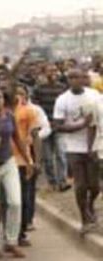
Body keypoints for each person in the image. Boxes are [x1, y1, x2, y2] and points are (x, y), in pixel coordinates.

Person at [0, 87, 30, 259]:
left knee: (15, 201)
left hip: (9, 161)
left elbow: (17, 138)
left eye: (0, 96)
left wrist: (28, 160)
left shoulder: (9, 115)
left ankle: (11, 241)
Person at [52, 68, 101, 234]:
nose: (74, 80)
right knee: (80, 185)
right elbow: (57, 125)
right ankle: (84, 219)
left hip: (94, 145)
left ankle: (90, 204)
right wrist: (80, 125)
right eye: (70, 77)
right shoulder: (62, 100)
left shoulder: (94, 96)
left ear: (84, 78)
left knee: (95, 185)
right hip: (73, 147)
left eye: (77, 77)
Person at [32, 63, 70, 192]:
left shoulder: (63, 88)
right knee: (47, 157)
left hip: (59, 126)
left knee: (61, 154)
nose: (53, 73)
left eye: (55, 70)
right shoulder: (38, 89)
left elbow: (67, 107)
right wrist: (45, 123)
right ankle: (52, 181)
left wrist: (60, 122)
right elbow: (36, 109)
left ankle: (62, 181)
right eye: (50, 70)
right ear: (44, 73)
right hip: (45, 127)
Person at [13, 84, 41, 246]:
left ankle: (20, 232)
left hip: (23, 160)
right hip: (3, 160)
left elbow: (35, 135)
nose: (17, 96)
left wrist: (36, 161)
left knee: (22, 198)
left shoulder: (28, 111)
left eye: (20, 93)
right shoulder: (0, 111)